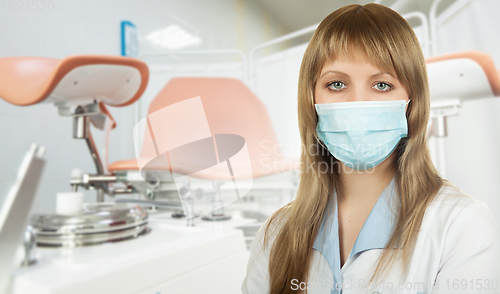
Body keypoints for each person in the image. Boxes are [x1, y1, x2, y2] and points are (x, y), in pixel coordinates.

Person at [241, 3, 500, 294]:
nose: (357, 103)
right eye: (337, 84)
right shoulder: (275, 234)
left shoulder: (461, 226)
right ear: (311, 101)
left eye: (382, 85)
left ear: (411, 102)